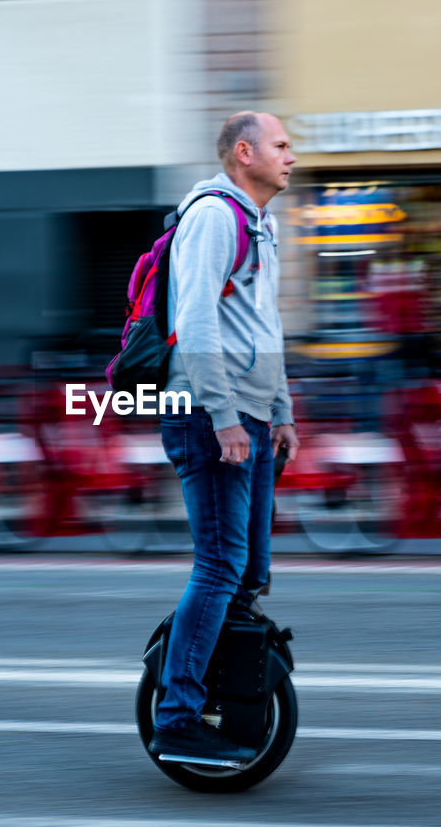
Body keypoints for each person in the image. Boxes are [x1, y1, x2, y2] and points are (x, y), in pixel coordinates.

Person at [148, 112, 301, 762]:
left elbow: (264, 327)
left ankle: (228, 679)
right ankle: (177, 715)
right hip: (212, 416)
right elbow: (196, 324)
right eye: (282, 145)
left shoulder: (262, 224)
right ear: (245, 153)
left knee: (249, 571)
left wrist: (282, 410)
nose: (292, 156)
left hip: (252, 418)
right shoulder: (214, 215)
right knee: (218, 565)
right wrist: (224, 416)